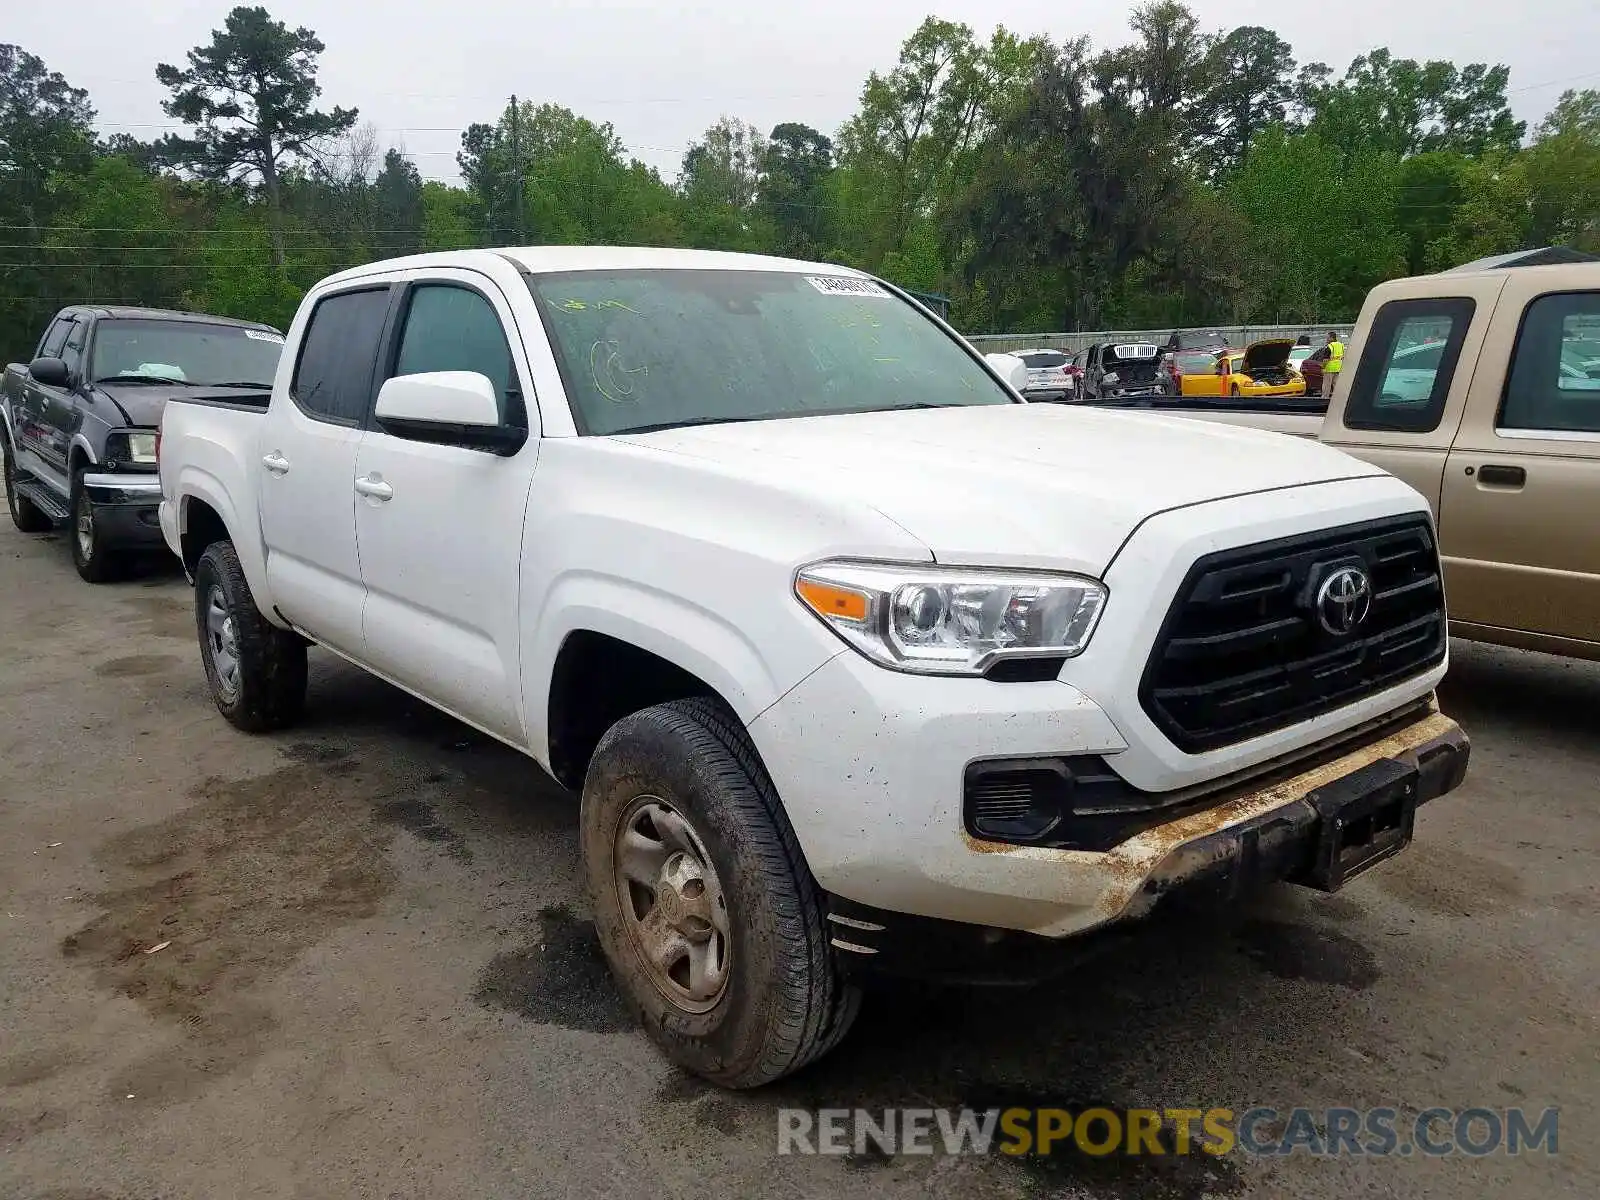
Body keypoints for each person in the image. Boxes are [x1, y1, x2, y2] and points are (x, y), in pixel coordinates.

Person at [1323, 330, 1344, 398]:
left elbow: (1325, 359)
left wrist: (1323, 368)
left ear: (1332, 338)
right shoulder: (1341, 345)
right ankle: (1338, 398)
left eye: (1328, 337)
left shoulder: (1330, 346)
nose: (1327, 339)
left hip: (1329, 368)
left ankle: (1324, 398)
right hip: (1338, 368)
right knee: (1336, 385)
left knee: (1327, 385)